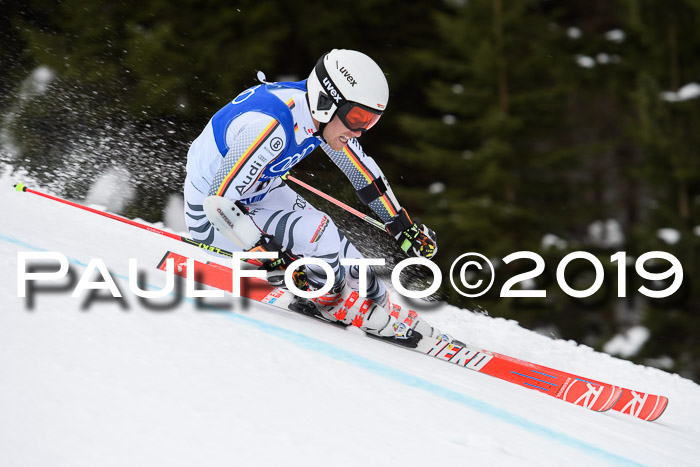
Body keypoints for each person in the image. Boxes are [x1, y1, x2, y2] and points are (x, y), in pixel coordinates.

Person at [184, 49, 439, 343]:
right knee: (319, 231)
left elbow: (362, 173)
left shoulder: (318, 118)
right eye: (357, 117)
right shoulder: (272, 125)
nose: (360, 131)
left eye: (370, 121)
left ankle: (379, 302)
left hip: (256, 193)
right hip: (212, 217)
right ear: (327, 101)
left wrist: (401, 224)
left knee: (343, 252)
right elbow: (218, 203)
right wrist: (264, 252)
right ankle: (331, 303)